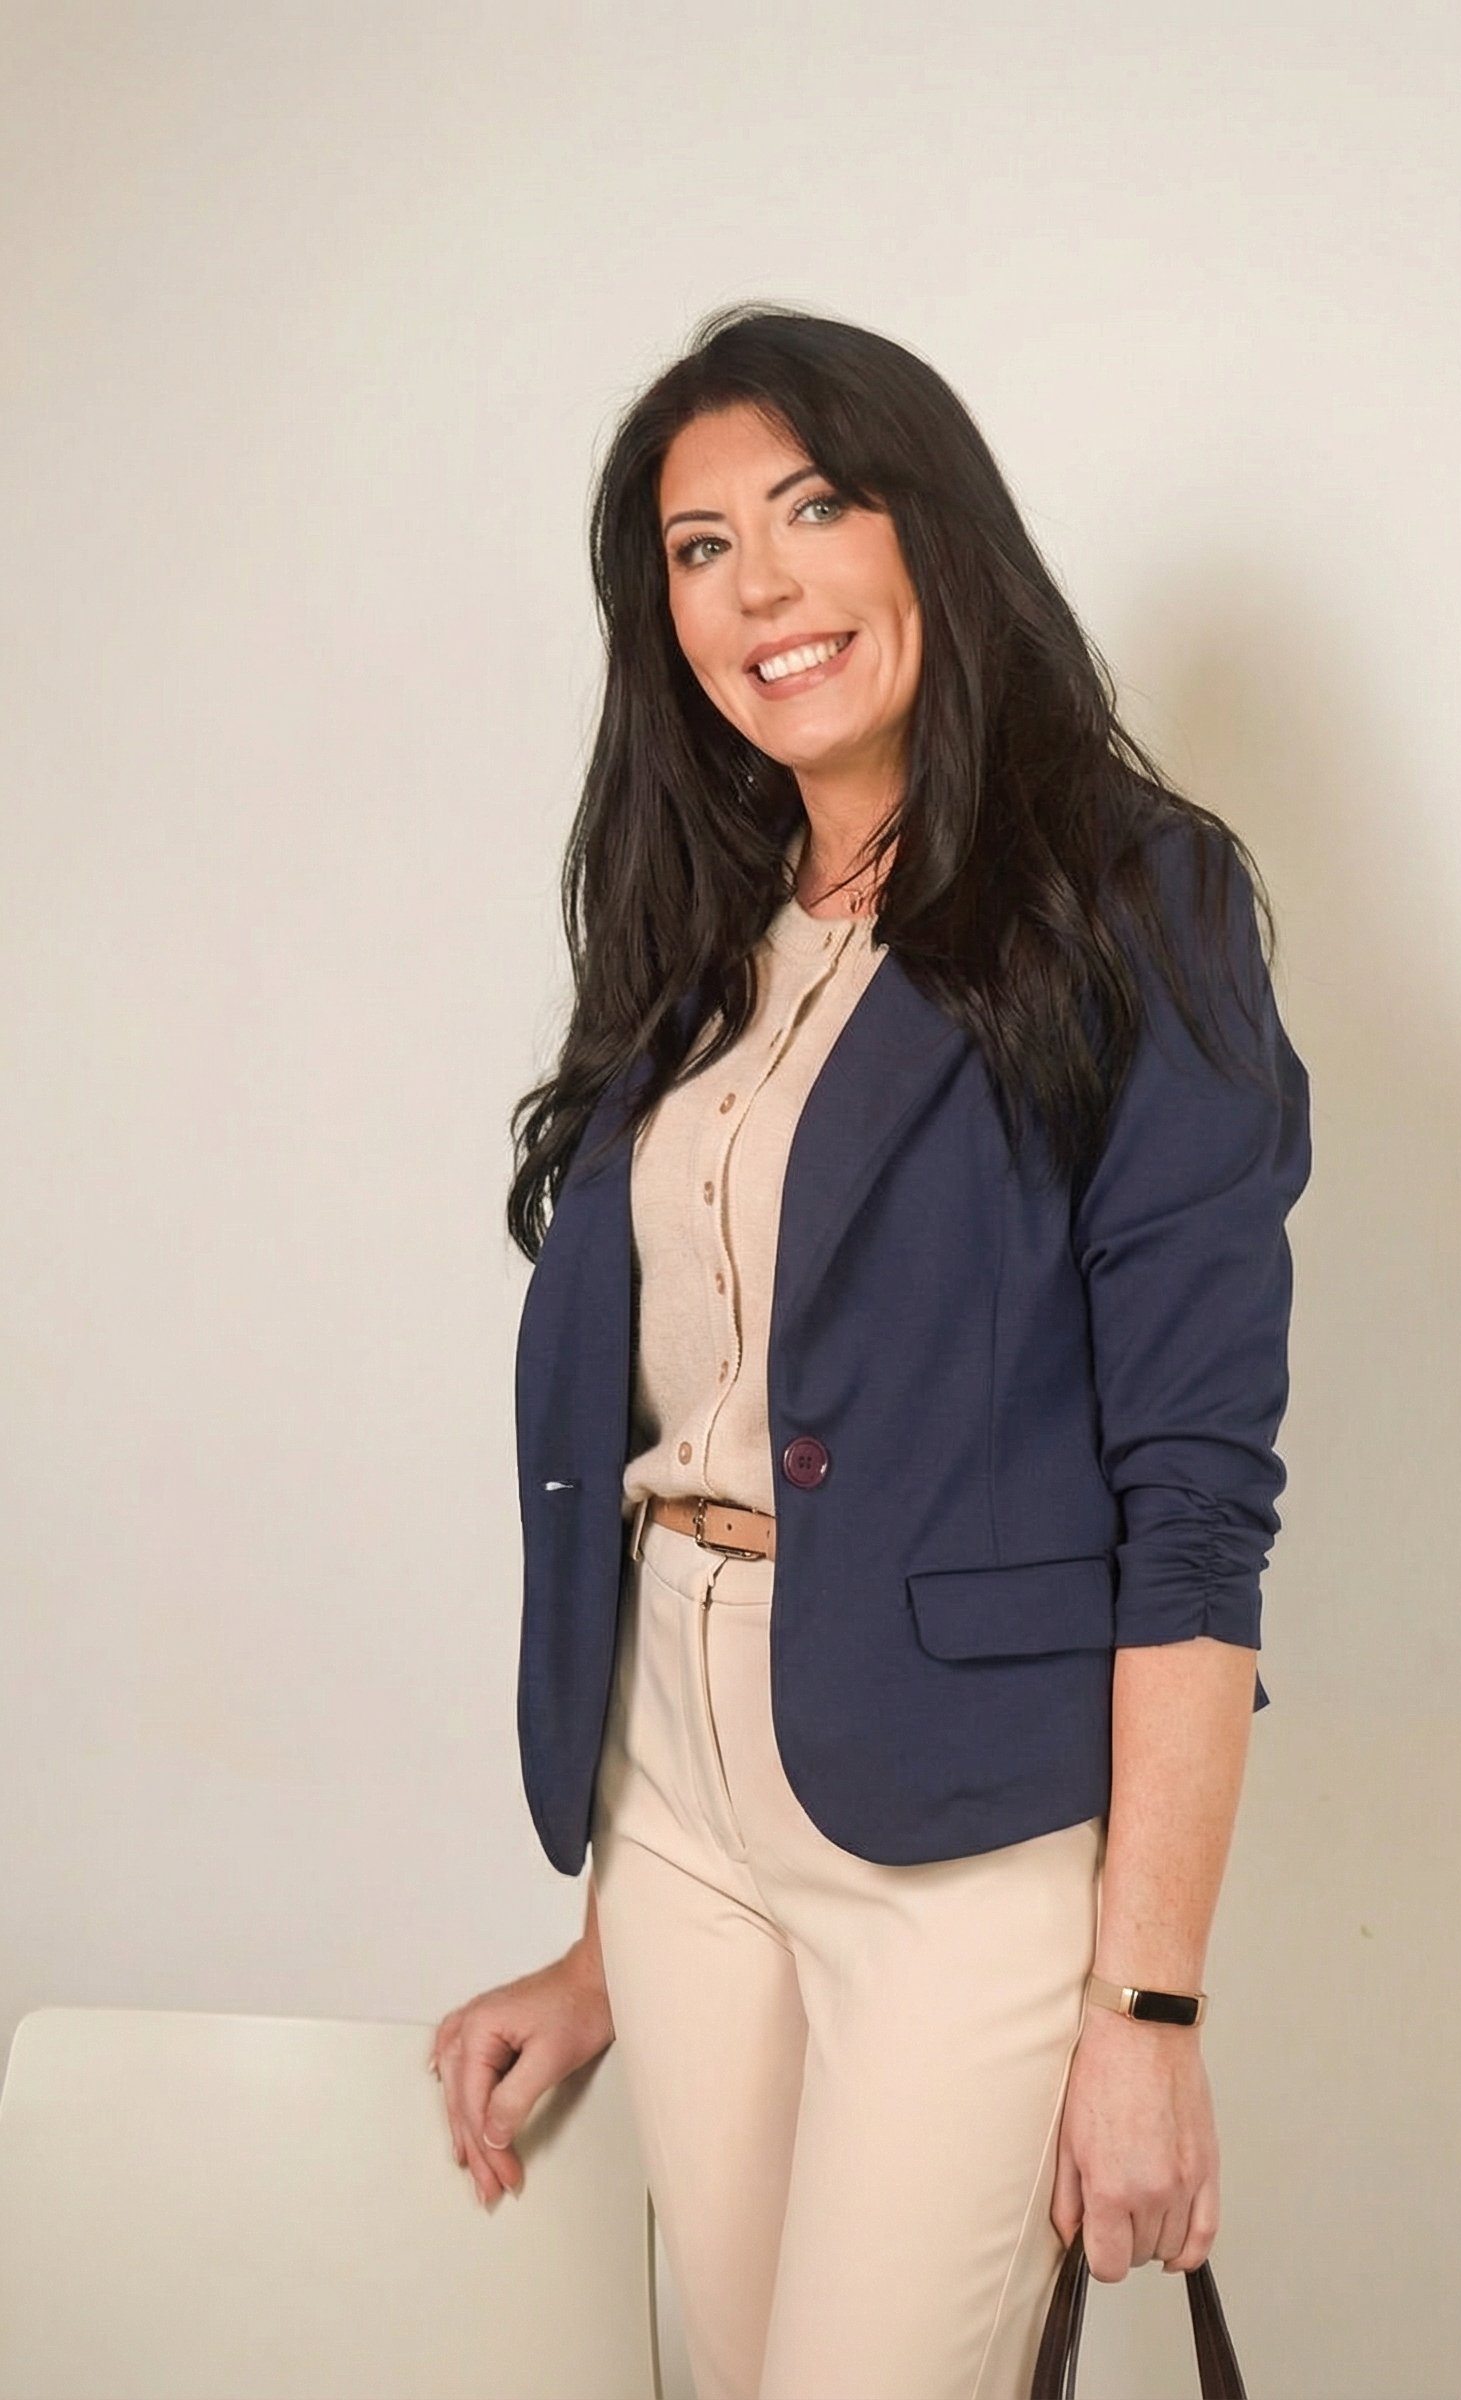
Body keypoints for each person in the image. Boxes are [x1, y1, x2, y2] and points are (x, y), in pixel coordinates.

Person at [430, 303, 1312, 2400]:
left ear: (935, 535)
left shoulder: (1132, 900)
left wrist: (1148, 2018)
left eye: (813, 510)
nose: (761, 586)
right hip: (672, 1799)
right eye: (699, 544)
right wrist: (600, 1951)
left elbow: (1191, 1503)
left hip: (963, 1848)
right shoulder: (699, 929)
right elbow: (707, 1406)